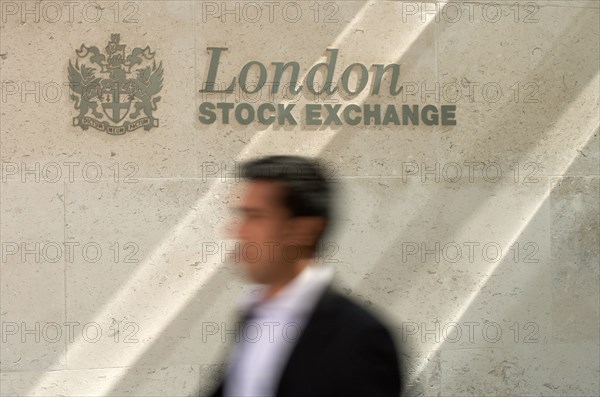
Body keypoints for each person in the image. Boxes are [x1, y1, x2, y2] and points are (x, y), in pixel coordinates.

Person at [205, 155, 404, 397]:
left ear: (305, 230)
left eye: (255, 217)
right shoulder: (252, 315)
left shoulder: (360, 336)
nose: (237, 231)